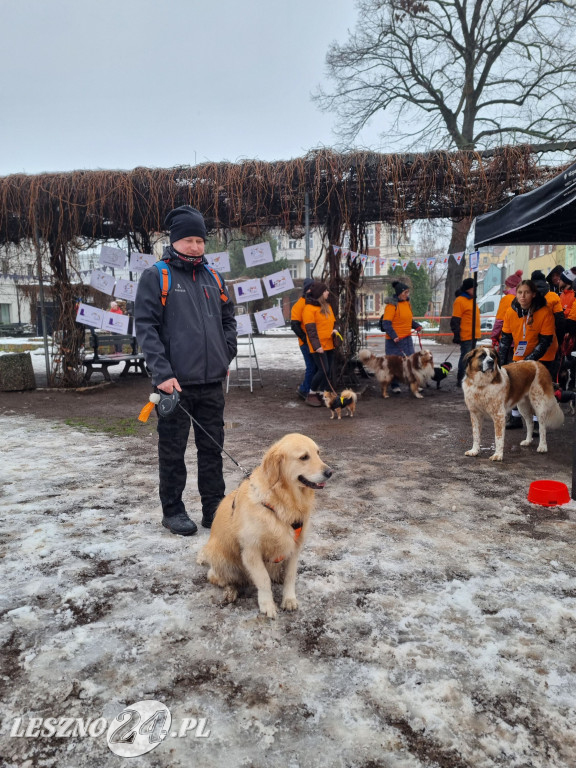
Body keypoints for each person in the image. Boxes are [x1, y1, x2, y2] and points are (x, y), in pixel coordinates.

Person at [135, 205, 237, 536]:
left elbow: (228, 320)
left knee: (212, 451)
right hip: (174, 386)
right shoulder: (157, 276)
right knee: (173, 452)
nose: (195, 246)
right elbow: (146, 327)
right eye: (189, 240)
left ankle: (215, 509)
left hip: (211, 384)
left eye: (200, 240)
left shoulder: (215, 278)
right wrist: (162, 374)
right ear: (175, 241)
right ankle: (173, 511)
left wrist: (226, 354)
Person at [499, 279, 558, 429]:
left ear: (533, 294)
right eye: (520, 292)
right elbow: (505, 339)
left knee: (537, 391)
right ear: (516, 294)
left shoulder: (545, 312)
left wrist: (528, 361)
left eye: (526, 292)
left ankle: (539, 423)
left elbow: (545, 342)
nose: (523, 296)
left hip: (544, 355)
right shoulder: (511, 312)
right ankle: (516, 418)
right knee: (516, 387)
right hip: (520, 354)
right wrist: (499, 363)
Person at [380, 280, 422, 393]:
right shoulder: (391, 306)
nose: (407, 295)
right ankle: (394, 385)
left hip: (407, 339)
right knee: (395, 364)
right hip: (395, 341)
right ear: (399, 293)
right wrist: (394, 336)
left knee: (410, 362)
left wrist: (416, 326)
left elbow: (408, 320)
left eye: (408, 292)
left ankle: (412, 384)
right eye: (405, 292)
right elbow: (386, 324)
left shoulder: (407, 303)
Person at [302, 281, 337, 405]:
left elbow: (334, 322)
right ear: (320, 294)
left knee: (328, 371)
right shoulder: (309, 309)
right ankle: (311, 392)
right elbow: (311, 330)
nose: (328, 292)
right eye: (325, 291)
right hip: (318, 346)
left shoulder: (327, 307)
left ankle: (323, 393)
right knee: (323, 370)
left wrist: (335, 329)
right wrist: (317, 346)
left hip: (329, 344)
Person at [451, 277, 481, 387]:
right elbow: (455, 320)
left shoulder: (472, 300)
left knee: (472, 358)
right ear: (468, 289)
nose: (475, 291)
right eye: (473, 288)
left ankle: (469, 377)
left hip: (474, 334)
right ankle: (461, 378)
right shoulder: (460, 300)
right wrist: (457, 335)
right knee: (466, 357)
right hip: (467, 334)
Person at [290, 278, 316, 403]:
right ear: (307, 289)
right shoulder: (299, 305)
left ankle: (309, 389)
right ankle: (304, 390)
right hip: (306, 343)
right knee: (311, 367)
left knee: (314, 367)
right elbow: (294, 325)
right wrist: (305, 339)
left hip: (313, 341)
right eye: (312, 287)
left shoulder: (312, 303)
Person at [491, 269, 523, 350]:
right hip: (522, 339)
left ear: (511, 286)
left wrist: (494, 336)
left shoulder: (507, 299)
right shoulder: (524, 297)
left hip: (507, 339)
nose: (505, 287)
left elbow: (500, 321)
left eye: (507, 285)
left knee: (506, 362)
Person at [530, 270, 564, 345]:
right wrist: (560, 341)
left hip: (529, 337)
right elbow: (560, 321)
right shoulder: (553, 297)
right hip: (549, 339)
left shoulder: (526, 296)